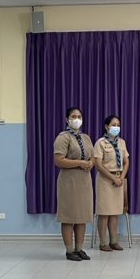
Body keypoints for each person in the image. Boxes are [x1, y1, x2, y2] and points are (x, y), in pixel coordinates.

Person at [53, 107, 94, 261]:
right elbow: (59, 160)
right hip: (69, 182)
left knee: (82, 216)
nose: (77, 119)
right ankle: (69, 250)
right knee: (69, 216)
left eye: (79, 116)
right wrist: (80, 163)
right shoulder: (63, 137)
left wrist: (91, 163)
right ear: (67, 119)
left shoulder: (86, 138)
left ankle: (79, 249)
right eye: (73, 116)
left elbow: (93, 156)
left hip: (85, 181)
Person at [93, 115, 130, 252]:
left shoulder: (122, 142)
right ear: (106, 127)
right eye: (113, 125)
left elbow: (126, 161)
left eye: (118, 125)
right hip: (105, 180)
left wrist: (121, 177)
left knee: (114, 213)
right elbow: (98, 164)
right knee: (104, 213)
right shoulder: (100, 143)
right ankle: (103, 243)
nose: (116, 127)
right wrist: (113, 178)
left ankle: (114, 241)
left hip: (119, 179)